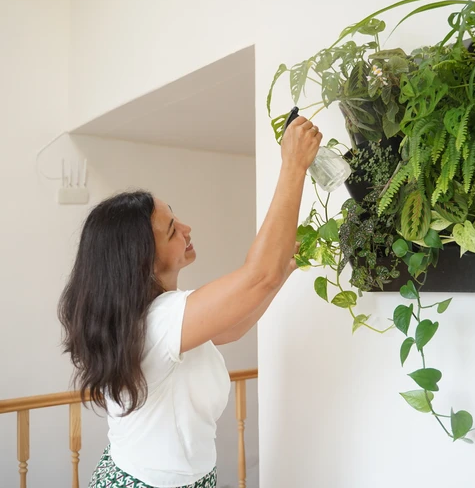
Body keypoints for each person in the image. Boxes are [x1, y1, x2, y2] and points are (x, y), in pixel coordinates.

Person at [58, 115, 323, 488]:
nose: (186, 229)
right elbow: (258, 276)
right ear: (143, 260)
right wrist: (293, 166)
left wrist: (282, 270)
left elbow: (231, 327)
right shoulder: (160, 320)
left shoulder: (149, 316)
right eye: (172, 230)